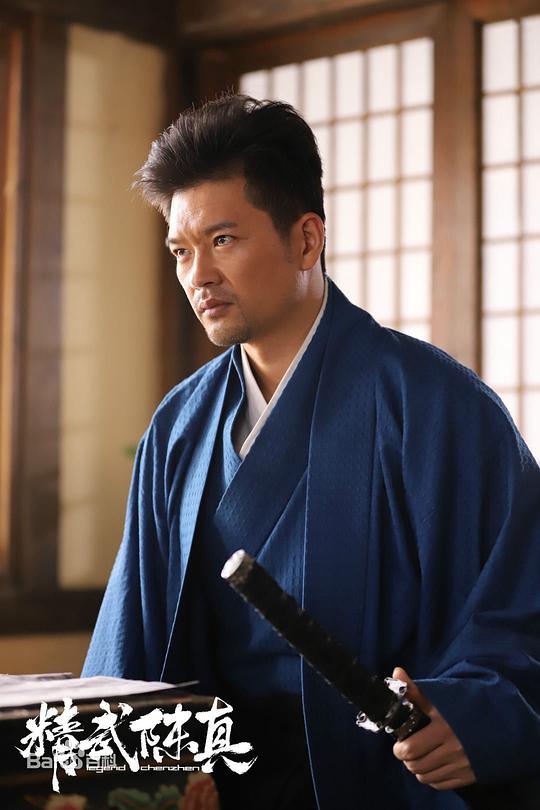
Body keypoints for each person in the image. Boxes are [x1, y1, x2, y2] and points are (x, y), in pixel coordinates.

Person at [82, 94, 540, 810]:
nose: (198, 275)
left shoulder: (437, 407)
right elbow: (131, 649)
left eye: (223, 239)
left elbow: (517, 616)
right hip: (220, 789)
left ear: (306, 239)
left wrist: (471, 712)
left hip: (384, 786)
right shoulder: (178, 428)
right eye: (181, 250)